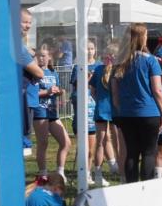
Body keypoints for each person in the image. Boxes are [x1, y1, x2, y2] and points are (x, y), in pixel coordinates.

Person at [111, 23, 162, 183]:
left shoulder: (119, 62)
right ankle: (146, 188)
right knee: (149, 153)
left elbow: (114, 92)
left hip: (127, 113)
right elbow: (157, 90)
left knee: (132, 153)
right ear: (143, 38)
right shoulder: (151, 61)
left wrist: (120, 107)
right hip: (149, 112)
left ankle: (131, 185)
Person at [30, 47, 70, 179]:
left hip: (52, 112)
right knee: (43, 143)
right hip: (40, 111)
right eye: (39, 56)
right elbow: (32, 93)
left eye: (43, 56)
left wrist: (59, 92)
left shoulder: (53, 73)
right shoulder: (34, 72)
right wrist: (47, 92)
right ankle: (43, 173)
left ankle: (60, 172)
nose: (41, 58)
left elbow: (58, 89)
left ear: (49, 57)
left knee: (66, 142)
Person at [89, 44, 121, 186]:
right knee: (118, 141)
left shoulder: (98, 69)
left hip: (101, 109)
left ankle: (98, 174)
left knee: (100, 143)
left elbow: (93, 91)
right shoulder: (119, 71)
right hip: (116, 109)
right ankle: (122, 172)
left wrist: (99, 102)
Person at [69, 39, 100, 179]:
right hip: (82, 110)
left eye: (92, 48)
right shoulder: (78, 66)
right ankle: (83, 172)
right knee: (83, 146)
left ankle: (89, 172)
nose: (89, 51)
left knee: (92, 146)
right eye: (87, 48)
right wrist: (86, 79)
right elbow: (75, 86)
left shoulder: (99, 66)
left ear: (95, 50)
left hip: (95, 109)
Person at [19, 8, 43, 156]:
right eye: (24, 22)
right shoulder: (17, 47)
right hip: (22, 99)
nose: (28, 26)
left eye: (30, 23)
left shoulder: (21, 46)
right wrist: (32, 57)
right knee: (23, 145)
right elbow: (39, 73)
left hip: (27, 98)